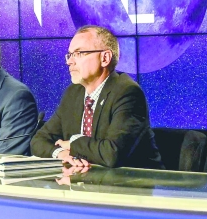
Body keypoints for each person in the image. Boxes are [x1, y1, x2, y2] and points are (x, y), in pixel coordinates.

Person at [31, 25, 162, 170]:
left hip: (130, 185)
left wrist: (73, 143)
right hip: (85, 183)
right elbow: (38, 140)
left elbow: (112, 153)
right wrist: (60, 153)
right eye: (70, 55)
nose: (69, 61)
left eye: (79, 53)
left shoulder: (127, 92)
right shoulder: (73, 93)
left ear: (105, 58)